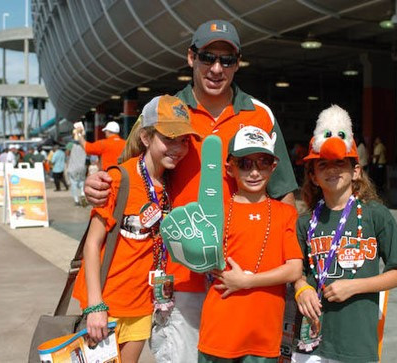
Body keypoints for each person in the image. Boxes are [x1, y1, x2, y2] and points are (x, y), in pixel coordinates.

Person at [83, 19, 298, 362]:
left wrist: (278, 274)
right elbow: (130, 166)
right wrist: (96, 183)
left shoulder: (260, 115)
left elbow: (284, 194)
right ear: (190, 58)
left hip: (240, 278)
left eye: (226, 60)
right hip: (179, 279)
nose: (216, 68)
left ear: (237, 63)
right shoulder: (166, 110)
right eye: (207, 57)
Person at [72, 94, 200, 363]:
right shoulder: (120, 179)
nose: (177, 148)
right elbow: (92, 244)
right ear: (145, 138)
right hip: (106, 304)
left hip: (143, 306)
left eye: (183, 140)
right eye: (168, 138)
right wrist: (96, 305)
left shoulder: (169, 186)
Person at [292, 105, 397, 363]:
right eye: (322, 165)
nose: (332, 170)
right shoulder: (305, 222)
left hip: (356, 342)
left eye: (340, 163)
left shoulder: (375, 215)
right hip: (310, 342)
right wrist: (301, 287)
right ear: (313, 176)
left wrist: (355, 286)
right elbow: (295, 271)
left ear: (356, 171)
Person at [198, 126, 303, 362]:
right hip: (219, 331)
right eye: (245, 163)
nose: (254, 172)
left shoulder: (286, 213)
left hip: (263, 335)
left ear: (273, 166)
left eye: (263, 162)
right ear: (229, 167)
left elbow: (294, 269)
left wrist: (247, 281)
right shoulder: (215, 212)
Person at [66, 141, 87, 207]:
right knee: (82, 183)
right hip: (82, 168)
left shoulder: (70, 144)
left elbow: (67, 153)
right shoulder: (84, 143)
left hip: (73, 168)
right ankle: (82, 194)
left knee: (74, 185)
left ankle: (76, 201)